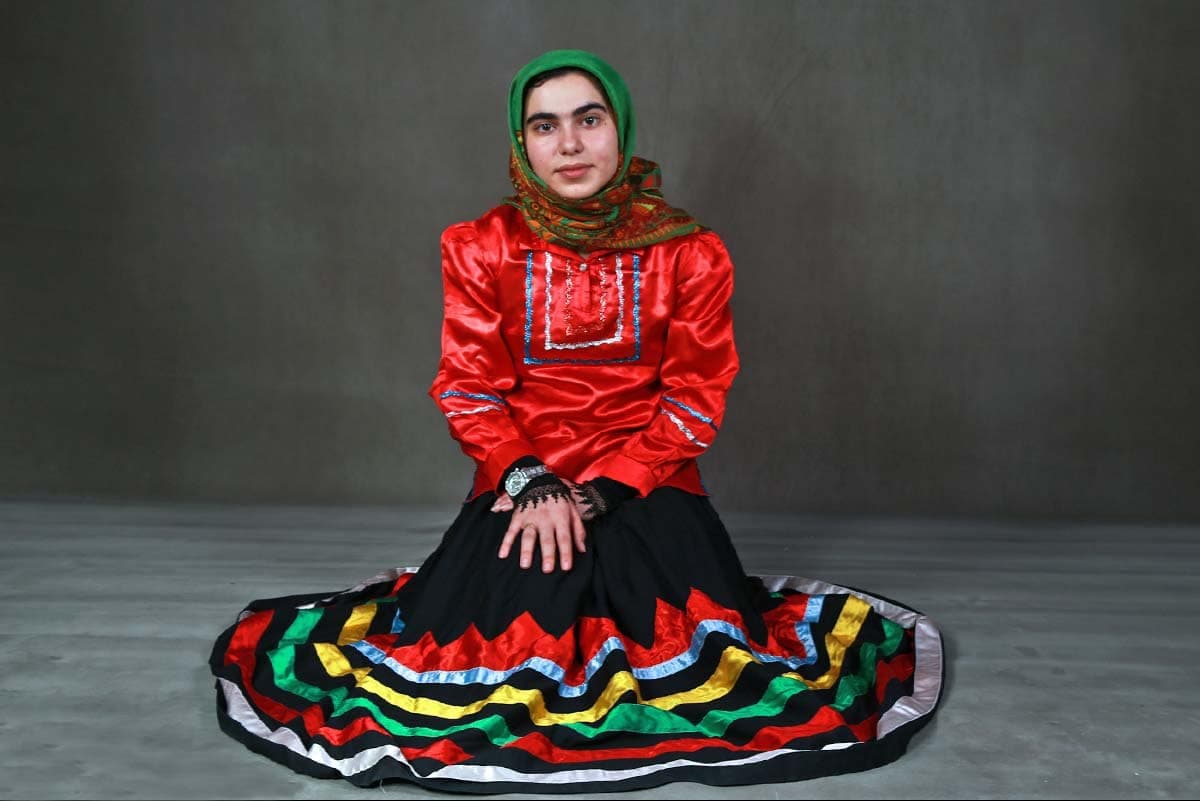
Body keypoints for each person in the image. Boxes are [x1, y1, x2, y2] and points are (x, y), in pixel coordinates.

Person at [209, 49, 943, 794]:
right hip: (520, 488)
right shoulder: (481, 246)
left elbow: (696, 396)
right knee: (497, 641)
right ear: (521, 143)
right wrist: (533, 483)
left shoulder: (690, 253)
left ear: (620, 129)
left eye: (589, 120)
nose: (568, 144)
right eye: (544, 126)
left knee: (682, 645)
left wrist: (603, 491)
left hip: (649, 482)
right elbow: (467, 387)